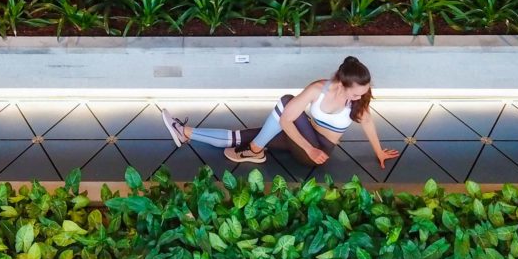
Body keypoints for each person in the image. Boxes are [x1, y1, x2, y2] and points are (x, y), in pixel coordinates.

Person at [160, 56, 400, 169]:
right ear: (342, 83)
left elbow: (367, 122)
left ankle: (255, 150)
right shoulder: (319, 88)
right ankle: (184, 132)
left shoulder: (356, 102)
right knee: (244, 135)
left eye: (363, 93)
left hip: (317, 152)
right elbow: (286, 121)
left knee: (286, 102)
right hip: (303, 138)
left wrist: (379, 152)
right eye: (356, 93)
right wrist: (307, 144)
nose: (360, 98)